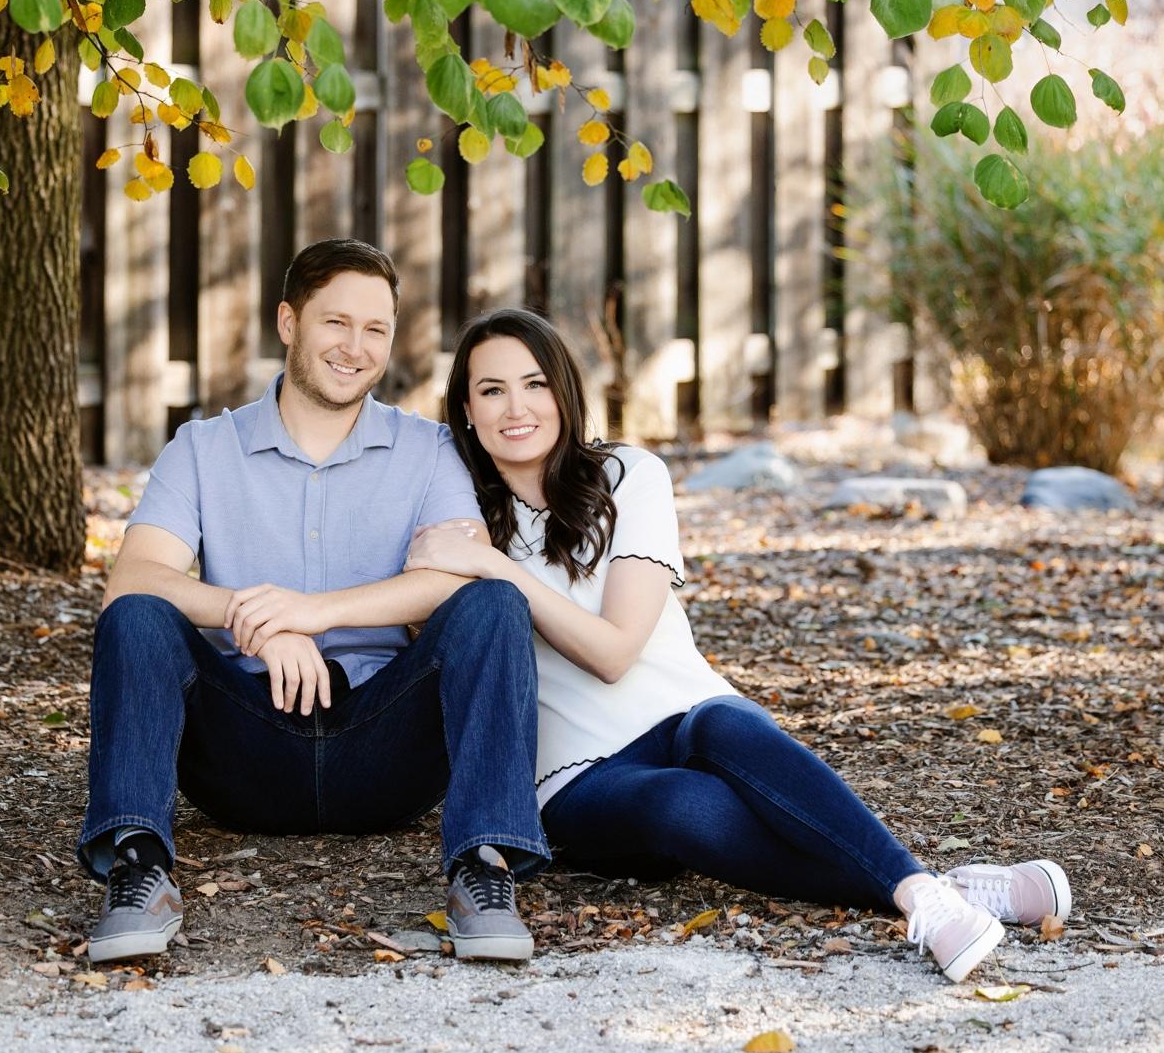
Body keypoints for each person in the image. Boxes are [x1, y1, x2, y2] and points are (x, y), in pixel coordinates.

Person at [405, 308, 1072, 983]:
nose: (516, 408)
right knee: (677, 806)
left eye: (535, 384)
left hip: (691, 718)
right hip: (576, 780)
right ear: (466, 411)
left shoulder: (628, 475)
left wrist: (496, 567)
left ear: (565, 393)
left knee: (725, 723)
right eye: (492, 390)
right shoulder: (459, 520)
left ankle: (921, 894)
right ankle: (941, 889)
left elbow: (614, 652)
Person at [78, 242, 548, 965]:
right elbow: (134, 577)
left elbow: (459, 577)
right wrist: (259, 622)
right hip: (244, 748)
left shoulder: (429, 450)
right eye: (337, 322)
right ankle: (137, 865)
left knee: (495, 603)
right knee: (137, 617)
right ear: (288, 322)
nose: (356, 348)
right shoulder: (203, 448)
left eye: (376, 329)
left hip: (384, 747)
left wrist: (316, 611)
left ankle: (484, 867)